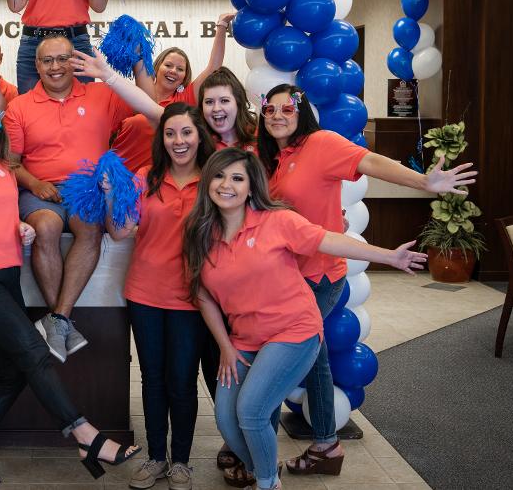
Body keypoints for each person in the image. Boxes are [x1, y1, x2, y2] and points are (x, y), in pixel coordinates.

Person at [255, 84, 476, 477]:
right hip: (285, 276)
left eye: (287, 109)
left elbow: (370, 161)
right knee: (314, 357)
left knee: (282, 356)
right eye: (269, 109)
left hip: (319, 275)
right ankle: (326, 445)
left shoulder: (321, 143)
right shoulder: (270, 156)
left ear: (301, 112)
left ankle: (262, 450)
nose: (277, 115)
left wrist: (423, 182)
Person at [183, 148, 428, 489]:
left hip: (293, 330)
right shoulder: (199, 232)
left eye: (237, 178)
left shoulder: (277, 221)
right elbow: (204, 296)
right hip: (243, 338)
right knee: (226, 419)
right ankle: (264, 470)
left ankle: (267, 483)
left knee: (251, 412)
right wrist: (225, 346)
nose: (226, 185)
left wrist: (389, 256)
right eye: (219, 176)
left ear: (251, 187)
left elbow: (330, 240)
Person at [0, 96, 141, 485]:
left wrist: (19, 228)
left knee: (14, 371)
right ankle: (86, 436)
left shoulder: (1, 169)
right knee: (34, 351)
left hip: (5, 276)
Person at [5, 35, 155, 362]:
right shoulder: (19, 106)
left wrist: (138, 62)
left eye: (63, 59)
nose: (55, 67)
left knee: (89, 229)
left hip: (87, 190)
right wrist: (35, 183)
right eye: (47, 60)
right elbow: (10, 163)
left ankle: (58, 317)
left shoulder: (102, 95)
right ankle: (62, 321)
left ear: (74, 62)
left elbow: (148, 101)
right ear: (37, 65)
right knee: (45, 228)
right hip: (39, 190)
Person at [105, 103, 216, 490]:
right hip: (145, 293)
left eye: (186, 132)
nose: (178, 141)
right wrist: (111, 196)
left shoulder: (214, 180)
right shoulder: (145, 177)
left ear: (199, 136)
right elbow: (120, 231)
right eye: (170, 134)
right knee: (152, 379)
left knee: (182, 381)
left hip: (193, 298)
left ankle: (181, 462)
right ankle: (155, 457)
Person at [111, 14, 232, 172]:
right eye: (168, 65)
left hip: (154, 181)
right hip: (116, 177)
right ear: (157, 67)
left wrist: (222, 25)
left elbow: (213, 67)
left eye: (180, 69)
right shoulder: (131, 93)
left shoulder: (185, 101)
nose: (173, 71)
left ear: (184, 77)